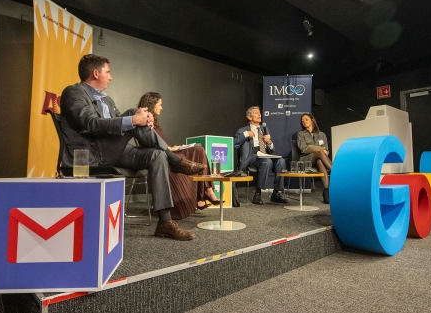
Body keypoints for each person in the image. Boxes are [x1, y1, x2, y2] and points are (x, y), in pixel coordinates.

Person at [60, 54, 207, 240]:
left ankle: (165, 223)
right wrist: (134, 119)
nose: (110, 77)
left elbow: (120, 126)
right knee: (132, 114)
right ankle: (176, 161)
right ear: (96, 73)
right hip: (92, 153)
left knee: (157, 155)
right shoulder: (74, 93)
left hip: (115, 151)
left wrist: (143, 121)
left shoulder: (107, 100)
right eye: (108, 72)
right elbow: (90, 123)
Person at [137, 92, 220, 220]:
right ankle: (202, 195)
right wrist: (170, 148)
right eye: (160, 105)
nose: (161, 107)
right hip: (160, 158)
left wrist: (172, 148)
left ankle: (207, 190)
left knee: (198, 150)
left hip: (169, 153)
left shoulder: (155, 124)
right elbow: (150, 146)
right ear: (152, 105)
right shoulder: (143, 123)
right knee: (196, 151)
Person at [234, 106, 287, 205]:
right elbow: (233, 144)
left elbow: (272, 150)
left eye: (259, 113)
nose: (259, 115)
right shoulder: (242, 130)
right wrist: (245, 135)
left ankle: (276, 193)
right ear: (249, 117)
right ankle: (258, 193)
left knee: (281, 161)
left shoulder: (265, 129)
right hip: (252, 156)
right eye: (256, 113)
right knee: (267, 161)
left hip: (265, 155)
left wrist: (269, 142)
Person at [297, 113, 332, 204]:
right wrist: (318, 150)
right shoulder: (301, 134)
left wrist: (325, 152)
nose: (304, 121)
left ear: (312, 120)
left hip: (318, 159)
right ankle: (336, 172)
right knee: (319, 152)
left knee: (320, 161)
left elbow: (326, 151)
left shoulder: (322, 134)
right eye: (302, 121)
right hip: (306, 160)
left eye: (306, 119)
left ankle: (326, 191)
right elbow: (303, 149)